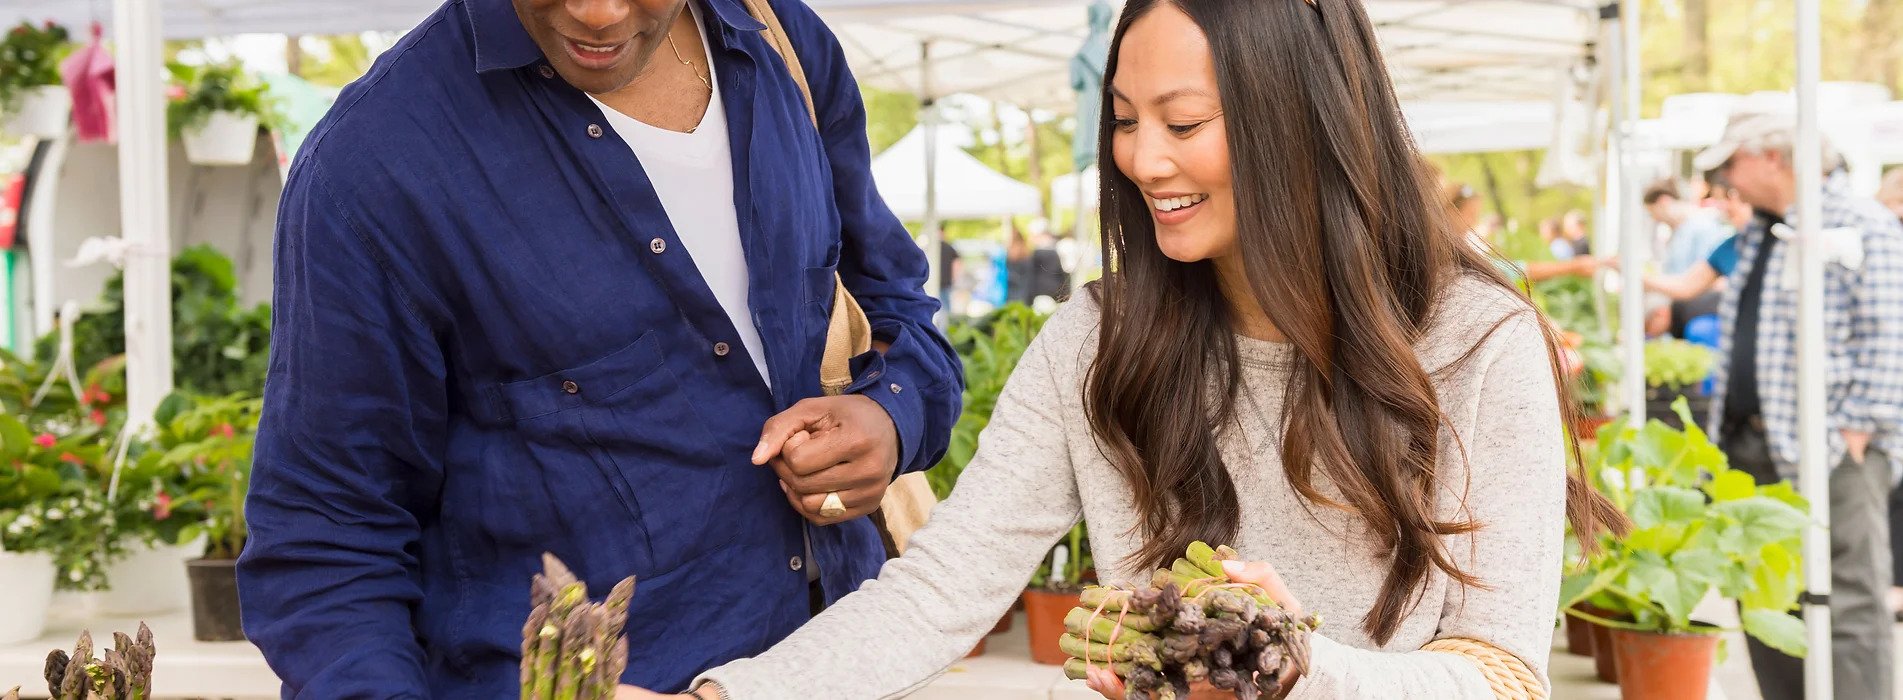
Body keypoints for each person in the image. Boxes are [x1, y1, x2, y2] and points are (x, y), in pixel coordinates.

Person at [625, 0, 1623, 696]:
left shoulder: (1477, 343)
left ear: (1300, 120)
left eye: (1183, 122)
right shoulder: (1096, 341)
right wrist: (720, 695)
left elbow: (1500, 674)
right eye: (1123, 122)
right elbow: (941, 589)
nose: (1143, 160)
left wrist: (1292, 662)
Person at [236, 0, 964, 695]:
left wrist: (888, 420)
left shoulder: (783, 45)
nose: (598, 14)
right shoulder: (374, 164)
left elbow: (898, 307)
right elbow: (327, 533)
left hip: (835, 668)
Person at [1693, 111, 1903, 700]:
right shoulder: (1763, 230)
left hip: (1832, 448)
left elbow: (1891, 332)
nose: (1725, 181)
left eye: (1731, 165)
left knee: (1850, 596)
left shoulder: (1863, 225)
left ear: (1772, 158)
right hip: (1750, 442)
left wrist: (1856, 429)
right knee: (1764, 593)